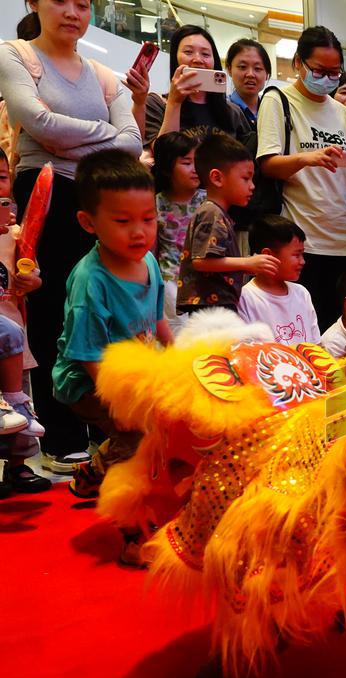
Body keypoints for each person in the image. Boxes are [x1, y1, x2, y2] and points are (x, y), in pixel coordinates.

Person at [1, 0, 142, 474]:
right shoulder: (16, 54)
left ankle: (108, 425)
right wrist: (103, 132)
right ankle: (60, 435)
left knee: (105, 311)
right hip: (46, 192)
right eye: (60, 0)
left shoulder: (102, 73)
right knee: (51, 311)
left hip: (100, 198)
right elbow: (38, 123)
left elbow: (133, 142)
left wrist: (71, 138)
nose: (72, 12)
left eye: (83, 4)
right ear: (33, 4)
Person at [52, 150, 171, 564]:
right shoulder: (91, 281)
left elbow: (157, 320)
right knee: (138, 442)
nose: (139, 232)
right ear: (89, 223)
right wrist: (123, 405)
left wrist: (179, 361)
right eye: (122, 222)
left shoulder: (148, 261)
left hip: (136, 371)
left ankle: (92, 471)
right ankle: (133, 535)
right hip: (88, 380)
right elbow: (88, 355)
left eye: (149, 219)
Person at [257, 26, 346, 330]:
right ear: (298, 63)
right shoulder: (278, 100)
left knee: (340, 333)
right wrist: (308, 158)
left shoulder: (341, 111)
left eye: (334, 72)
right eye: (319, 71)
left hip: (345, 237)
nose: (326, 79)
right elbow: (267, 163)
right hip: (304, 238)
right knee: (304, 328)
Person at [176, 134, 273, 314]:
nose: (252, 186)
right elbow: (201, 261)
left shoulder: (217, 212)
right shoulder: (211, 212)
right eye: (246, 178)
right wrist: (246, 263)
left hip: (217, 304)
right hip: (208, 307)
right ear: (217, 178)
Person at [0, 146, 49, 496]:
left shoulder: (16, 233)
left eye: (1, 178)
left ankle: (18, 465)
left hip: (14, 329)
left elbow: (33, 272)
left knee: (19, 398)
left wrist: (32, 280)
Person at [142, 25, 250, 149]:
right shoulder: (156, 104)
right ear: (175, 58)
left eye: (205, 54)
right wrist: (174, 102)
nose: (198, 59)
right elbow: (164, 154)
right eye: (188, 52)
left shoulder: (232, 111)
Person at [237, 215, 320, 346]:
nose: (303, 261)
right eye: (296, 255)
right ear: (268, 255)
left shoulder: (302, 293)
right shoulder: (245, 298)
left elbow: (316, 345)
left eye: (302, 254)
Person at [152, 132, 204, 332]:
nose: (195, 169)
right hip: (170, 280)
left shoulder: (208, 200)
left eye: (197, 161)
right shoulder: (157, 203)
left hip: (204, 280)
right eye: (187, 163)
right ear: (167, 168)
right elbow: (152, 250)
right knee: (178, 335)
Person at [226, 38, 272, 129]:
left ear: (267, 74)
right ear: (229, 70)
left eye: (257, 68)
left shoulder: (272, 111)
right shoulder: (222, 109)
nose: (250, 74)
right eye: (242, 67)